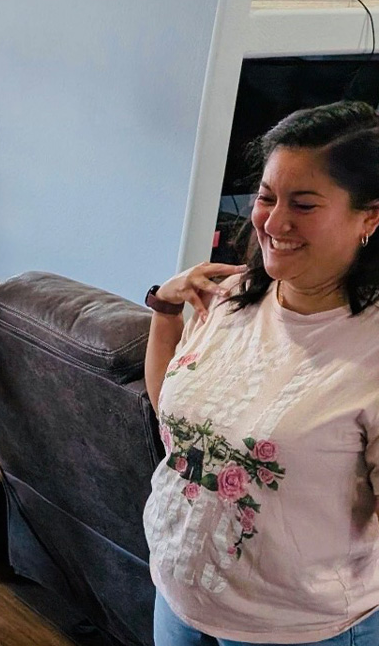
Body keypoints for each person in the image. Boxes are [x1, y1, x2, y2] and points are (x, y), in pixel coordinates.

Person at [143, 101, 379, 646]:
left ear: (369, 216)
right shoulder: (229, 297)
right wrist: (166, 312)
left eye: (304, 204)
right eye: (267, 197)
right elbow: (174, 417)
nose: (273, 222)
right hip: (179, 596)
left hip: (296, 628)